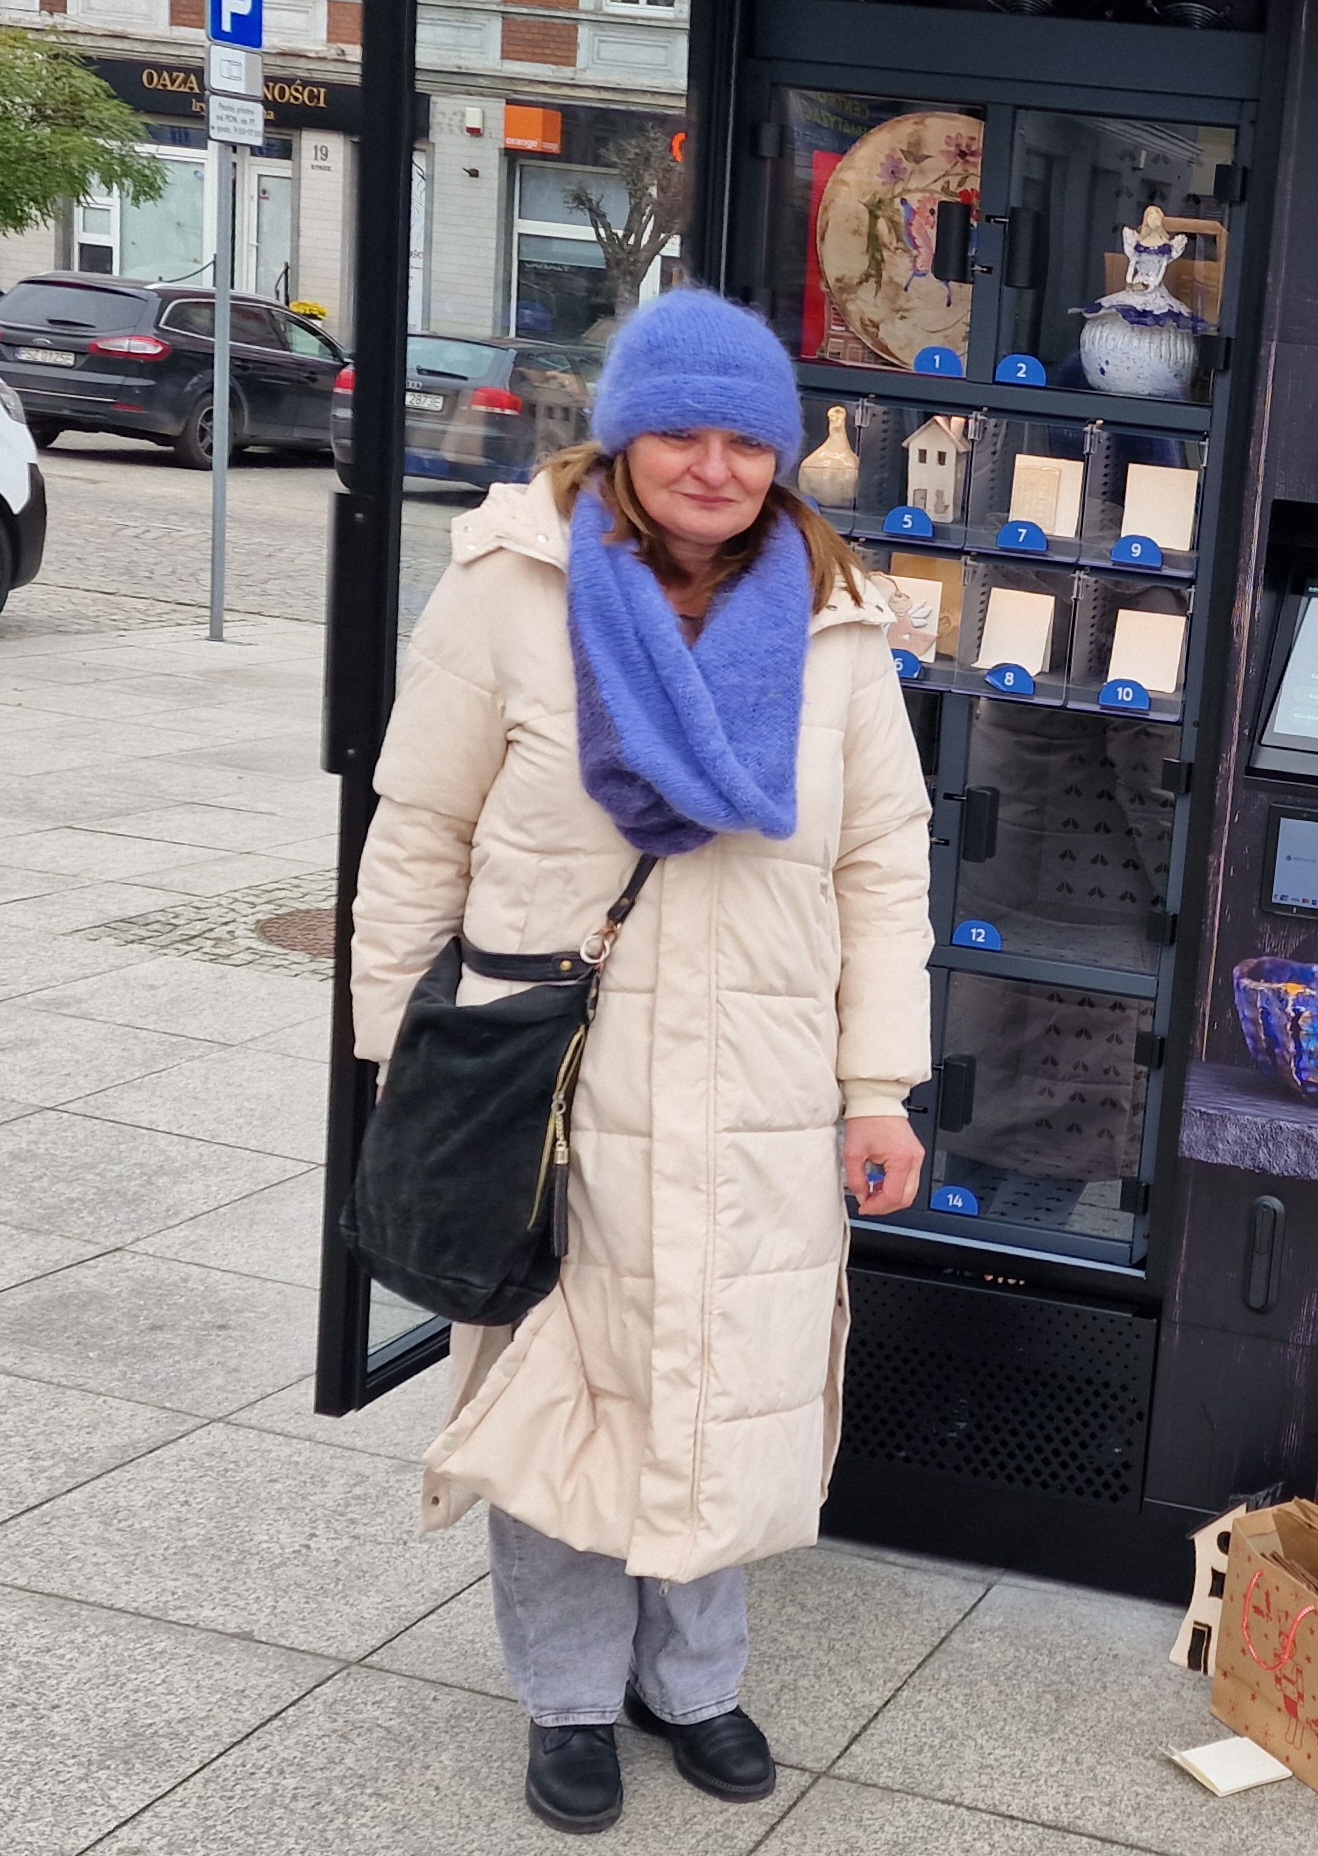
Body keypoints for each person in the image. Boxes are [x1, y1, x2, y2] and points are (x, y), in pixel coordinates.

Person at [349, 289, 934, 1835]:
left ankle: (695, 1680)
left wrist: (879, 1088)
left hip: (764, 1078)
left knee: (729, 1384)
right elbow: (417, 830)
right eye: (682, 429)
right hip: (555, 1077)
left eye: (749, 439)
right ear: (621, 432)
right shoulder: (510, 592)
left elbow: (882, 862)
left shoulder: (835, 618)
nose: (714, 465)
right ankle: (564, 1697)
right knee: (559, 1389)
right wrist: (397, 1050)